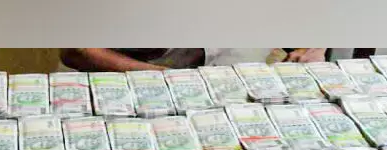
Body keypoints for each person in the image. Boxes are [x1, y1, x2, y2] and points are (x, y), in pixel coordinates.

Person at [59, 48, 328, 72]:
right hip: (145, 75)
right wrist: (156, 75)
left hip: (242, 70)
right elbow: (76, 51)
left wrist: (314, 46)